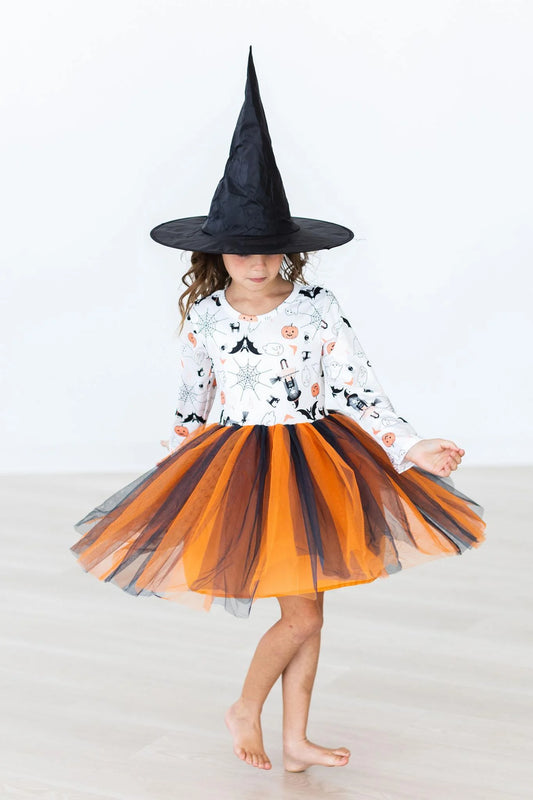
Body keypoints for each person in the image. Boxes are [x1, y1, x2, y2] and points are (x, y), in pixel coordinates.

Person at [70, 48, 486, 773]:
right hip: (239, 468)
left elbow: (359, 388)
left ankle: (294, 739)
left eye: (268, 251)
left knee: (309, 611)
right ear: (215, 254)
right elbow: (192, 403)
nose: (256, 264)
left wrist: (409, 446)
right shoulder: (207, 317)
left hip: (318, 461)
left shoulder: (317, 306)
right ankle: (245, 706)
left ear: (289, 251)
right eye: (240, 251)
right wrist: (170, 480)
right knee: (305, 613)